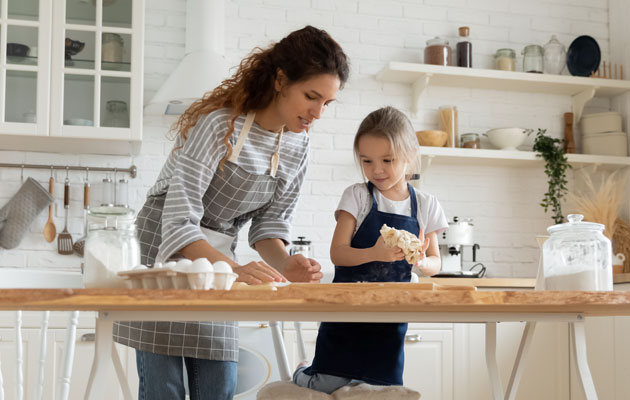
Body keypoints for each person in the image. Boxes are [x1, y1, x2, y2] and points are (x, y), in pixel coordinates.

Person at [113, 26, 349, 400]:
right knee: (165, 389)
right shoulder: (219, 125)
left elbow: (268, 227)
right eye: (311, 97)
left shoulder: (298, 146)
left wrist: (286, 264)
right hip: (164, 253)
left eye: (327, 103)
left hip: (220, 259)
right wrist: (234, 270)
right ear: (280, 80)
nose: (317, 113)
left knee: (218, 384)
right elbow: (178, 219)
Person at [293, 106, 448, 394]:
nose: (377, 170)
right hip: (345, 313)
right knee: (327, 381)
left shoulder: (426, 204)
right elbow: (338, 253)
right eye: (367, 161)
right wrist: (374, 253)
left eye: (388, 160)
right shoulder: (357, 196)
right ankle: (302, 372)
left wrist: (423, 263)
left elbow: (436, 262)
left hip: (389, 319)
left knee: (382, 390)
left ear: (410, 156)